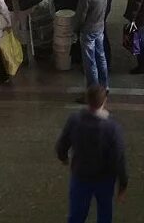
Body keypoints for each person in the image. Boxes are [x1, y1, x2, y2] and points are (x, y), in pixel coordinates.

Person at [56, 84, 128, 223]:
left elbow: (63, 142)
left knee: (76, 213)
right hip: (105, 178)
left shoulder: (75, 120)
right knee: (105, 211)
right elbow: (119, 158)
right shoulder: (112, 128)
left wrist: (63, 157)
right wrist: (123, 185)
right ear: (104, 101)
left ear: (87, 100)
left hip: (80, 175)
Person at [75, 0, 111, 92]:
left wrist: (75, 29)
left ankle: (93, 92)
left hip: (88, 30)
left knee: (90, 63)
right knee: (101, 56)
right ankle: (104, 85)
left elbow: (81, 16)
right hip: (99, 26)